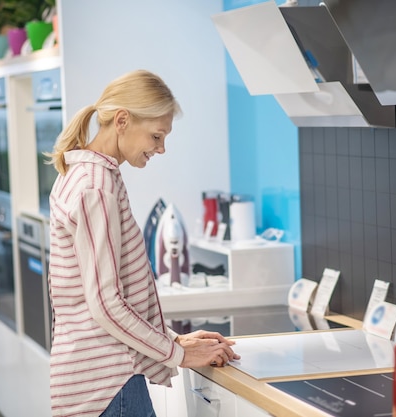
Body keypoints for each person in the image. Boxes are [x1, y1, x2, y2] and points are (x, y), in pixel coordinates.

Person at [45, 69, 240, 417]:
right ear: (122, 120)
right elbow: (105, 305)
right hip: (108, 383)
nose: (161, 149)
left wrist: (174, 339)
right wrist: (179, 354)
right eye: (156, 135)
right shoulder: (95, 186)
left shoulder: (86, 174)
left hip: (96, 378)